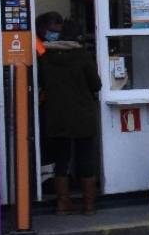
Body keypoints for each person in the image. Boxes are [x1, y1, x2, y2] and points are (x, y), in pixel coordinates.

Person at [35, 12, 101, 215]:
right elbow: (96, 84)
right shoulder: (83, 56)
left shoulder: (45, 57)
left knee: (61, 158)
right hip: (82, 114)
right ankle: (89, 205)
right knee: (85, 157)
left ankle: (63, 203)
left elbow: (42, 84)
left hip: (57, 115)